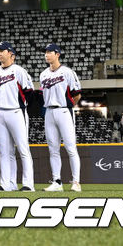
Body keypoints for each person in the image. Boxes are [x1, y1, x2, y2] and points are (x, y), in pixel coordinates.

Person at [0, 40, 35, 191]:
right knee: (4, 151)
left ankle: (28, 184)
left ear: (11, 54)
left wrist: (22, 106)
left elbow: (29, 92)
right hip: (0, 113)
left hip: (16, 112)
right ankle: (7, 184)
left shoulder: (18, 71)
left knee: (23, 149)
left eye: (2, 50)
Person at [39, 43, 82, 192]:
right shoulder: (43, 74)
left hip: (64, 111)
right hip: (49, 112)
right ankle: (57, 182)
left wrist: (68, 106)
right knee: (53, 150)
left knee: (70, 148)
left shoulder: (67, 72)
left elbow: (77, 94)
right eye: (45, 52)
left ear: (57, 54)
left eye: (49, 52)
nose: (46, 54)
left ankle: (76, 182)